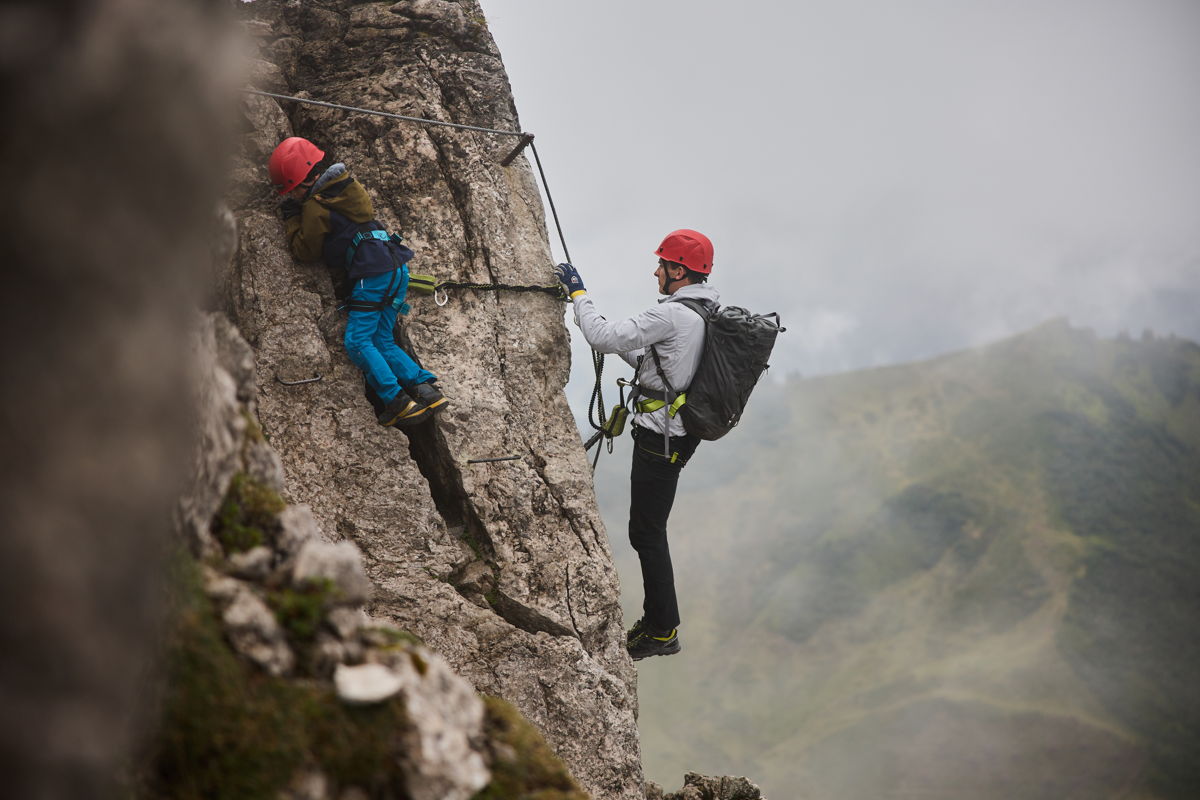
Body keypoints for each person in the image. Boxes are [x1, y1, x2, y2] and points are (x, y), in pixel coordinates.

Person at [554, 229, 719, 660]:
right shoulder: (704, 310)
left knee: (646, 532)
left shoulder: (672, 315)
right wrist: (614, 340)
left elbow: (602, 338)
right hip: (682, 432)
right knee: (648, 530)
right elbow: (660, 367)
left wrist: (579, 295)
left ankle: (662, 629)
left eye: (662, 265)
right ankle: (662, 625)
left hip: (660, 438)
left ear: (678, 270)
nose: (656, 271)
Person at [268, 136, 447, 426]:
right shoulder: (348, 189)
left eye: (293, 191)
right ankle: (426, 390)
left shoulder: (316, 206)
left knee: (357, 340)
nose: (294, 197)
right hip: (396, 267)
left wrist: (292, 220)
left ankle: (397, 400)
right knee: (381, 338)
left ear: (303, 181)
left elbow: (305, 251)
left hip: (371, 273)